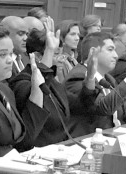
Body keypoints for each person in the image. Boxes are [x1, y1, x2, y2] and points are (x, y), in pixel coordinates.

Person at [0, 21, 46, 170]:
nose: (10, 59)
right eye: (2, 54)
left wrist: (37, 89)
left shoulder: (4, 90)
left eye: (11, 53)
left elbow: (24, 140)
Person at [9, 17, 93, 150]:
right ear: (36, 56)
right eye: (55, 54)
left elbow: (81, 104)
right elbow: (40, 87)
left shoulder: (55, 83)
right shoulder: (22, 82)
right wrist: (49, 50)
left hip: (58, 150)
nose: (61, 59)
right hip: (34, 154)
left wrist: (90, 78)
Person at [63, 32, 126, 137]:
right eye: (110, 50)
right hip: (85, 142)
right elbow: (104, 107)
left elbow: (123, 105)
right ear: (93, 52)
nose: (116, 55)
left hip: (109, 139)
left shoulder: (108, 78)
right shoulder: (77, 77)